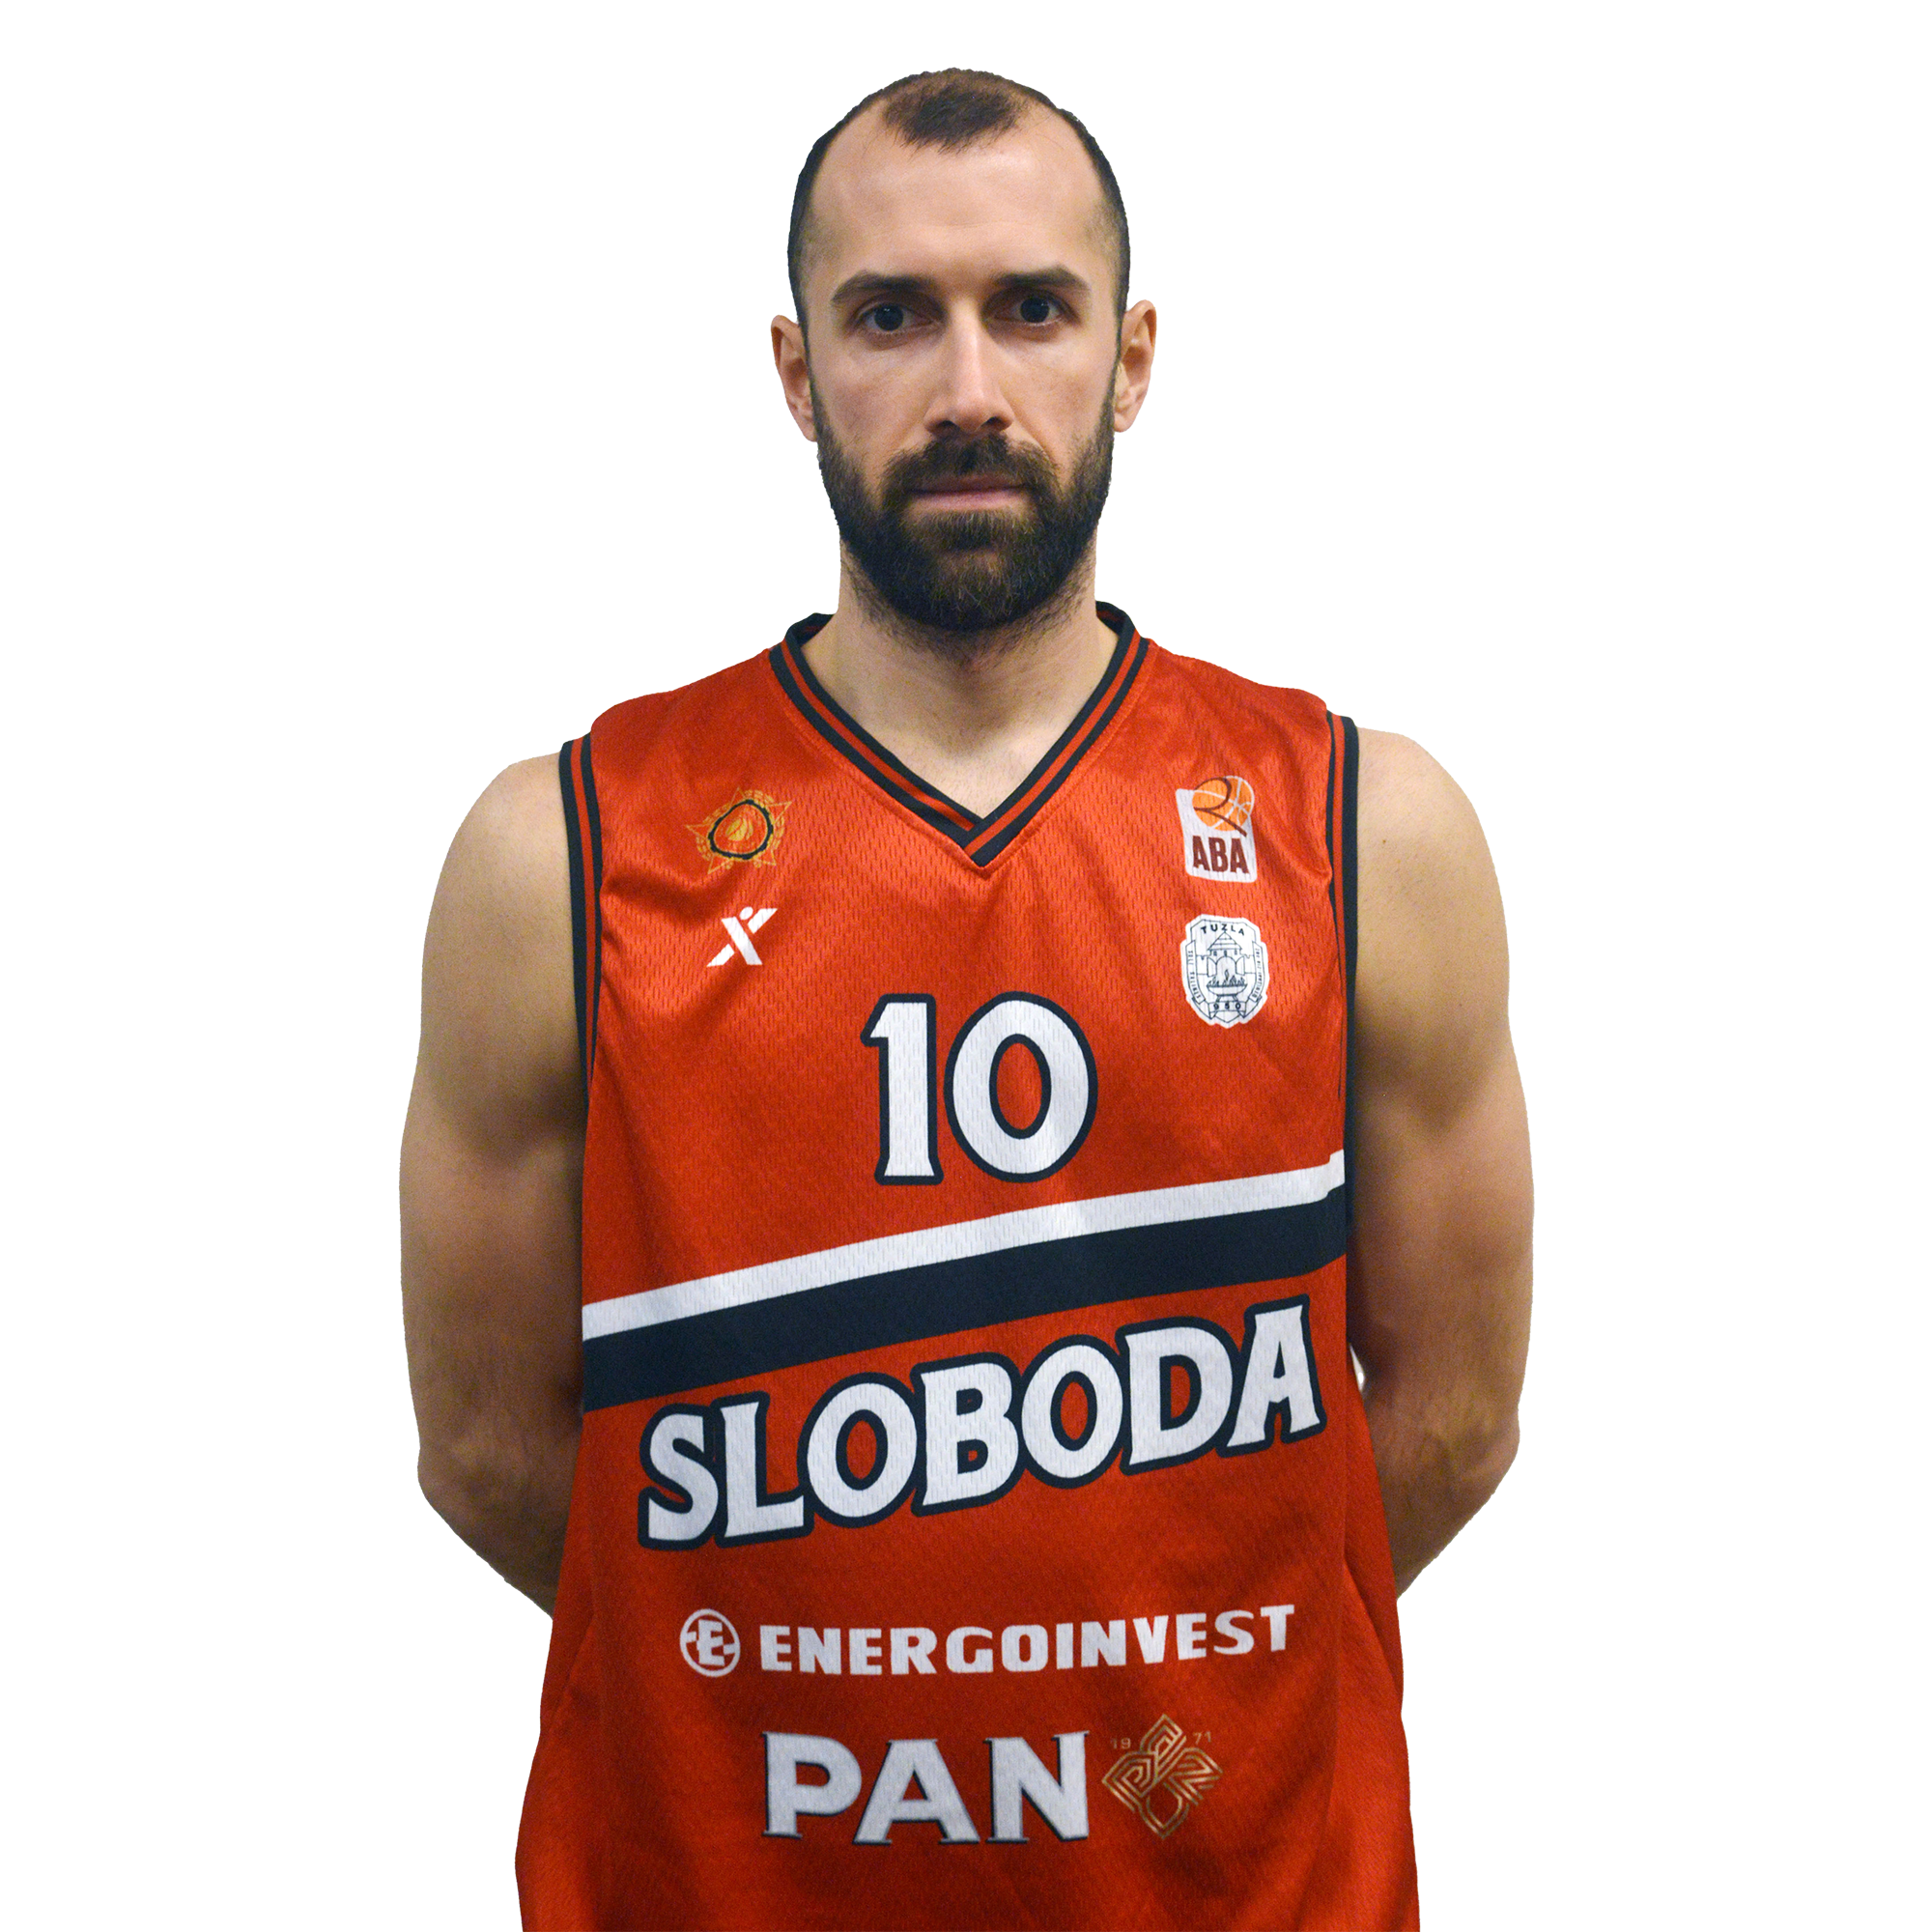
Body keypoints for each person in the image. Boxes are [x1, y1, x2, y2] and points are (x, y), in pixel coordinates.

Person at [401, 68, 1531, 1931]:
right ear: (794, 375)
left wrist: (1186, 1660)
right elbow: (488, 1445)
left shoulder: (1362, 827)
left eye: (1032, 308)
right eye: (890, 317)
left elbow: (1457, 1413)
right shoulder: (565, 851)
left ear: (1133, 357)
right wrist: (772, 1660)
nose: (969, 390)